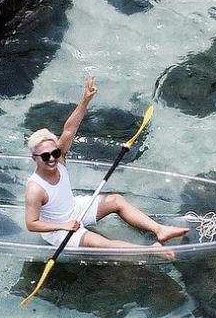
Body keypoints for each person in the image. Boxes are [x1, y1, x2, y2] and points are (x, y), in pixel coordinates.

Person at [24, 78, 189, 252]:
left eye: (55, 153)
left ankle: (160, 230)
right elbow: (32, 224)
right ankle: (151, 251)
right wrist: (64, 225)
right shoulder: (35, 189)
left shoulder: (60, 159)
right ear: (34, 158)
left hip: (75, 208)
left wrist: (85, 100)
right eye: (45, 156)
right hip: (57, 230)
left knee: (116, 200)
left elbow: (69, 130)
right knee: (99, 243)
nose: (52, 159)